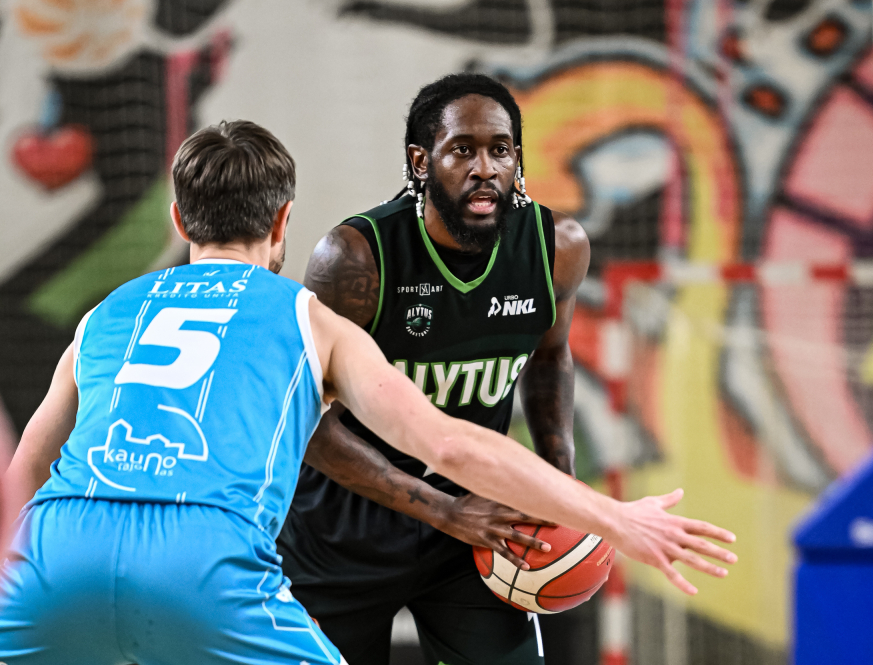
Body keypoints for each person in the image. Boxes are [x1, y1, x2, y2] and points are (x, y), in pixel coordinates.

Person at [0, 119, 736, 665]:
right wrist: (613, 516)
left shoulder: (106, 314)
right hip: (202, 558)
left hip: (56, 550)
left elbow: (29, 464)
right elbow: (450, 444)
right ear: (283, 220)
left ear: (177, 218)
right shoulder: (308, 320)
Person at [276, 74, 736, 665]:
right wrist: (442, 509)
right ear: (420, 162)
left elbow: (549, 358)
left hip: (478, 533)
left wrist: (560, 484)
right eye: (462, 150)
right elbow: (307, 425)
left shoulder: (556, 247)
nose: (485, 168)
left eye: (501, 149)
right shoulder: (355, 258)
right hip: (339, 535)